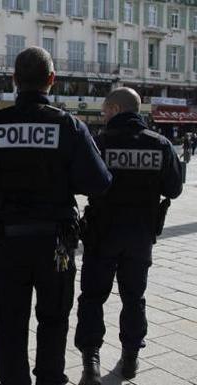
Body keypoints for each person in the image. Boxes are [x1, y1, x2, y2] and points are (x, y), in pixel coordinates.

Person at [0, 47, 113, 385]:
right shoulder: (69, 125)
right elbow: (100, 183)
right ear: (52, 80)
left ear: (14, 81)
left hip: (8, 241)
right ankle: (50, 378)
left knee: (9, 321)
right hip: (55, 244)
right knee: (54, 318)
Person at [75, 87, 183, 384]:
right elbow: (174, 189)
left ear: (116, 110)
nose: (104, 114)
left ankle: (90, 363)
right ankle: (131, 358)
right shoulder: (160, 144)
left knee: (93, 298)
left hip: (102, 235)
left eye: (106, 109)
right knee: (134, 298)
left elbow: (83, 182)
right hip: (140, 235)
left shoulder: (100, 143)